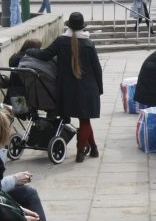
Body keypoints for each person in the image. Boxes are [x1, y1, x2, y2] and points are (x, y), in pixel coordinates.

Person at [26, 12, 103, 163]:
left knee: (84, 120)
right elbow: (97, 69)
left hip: (67, 89)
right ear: (82, 27)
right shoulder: (89, 44)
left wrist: (29, 51)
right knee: (85, 120)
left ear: (69, 26)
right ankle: (81, 152)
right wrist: (99, 89)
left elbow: (45, 55)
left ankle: (93, 148)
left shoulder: (61, 41)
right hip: (87, 88)